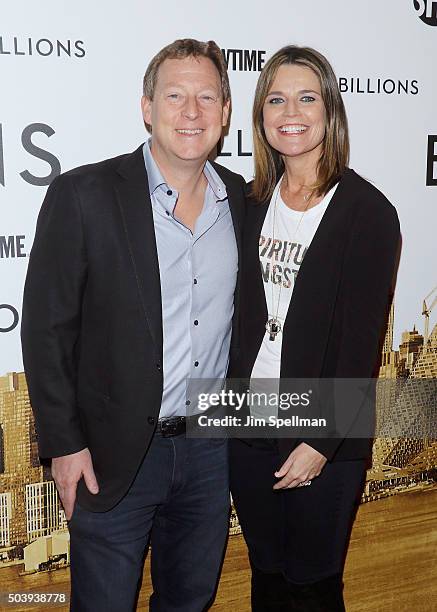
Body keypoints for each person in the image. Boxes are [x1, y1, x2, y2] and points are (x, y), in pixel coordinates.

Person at [21, 38, 245, 612]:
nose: (191, 112)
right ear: (146, 107)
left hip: (209, 449)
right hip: (113, 454)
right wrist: (64, 445)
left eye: (206, 97)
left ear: (225, 112)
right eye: (175, 95)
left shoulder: (244, 201)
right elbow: (47, 330)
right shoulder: (85, 193)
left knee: (189, 601)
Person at [229, 45, 400, 611]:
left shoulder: (368, 212)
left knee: (313, 585)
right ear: (260, 116)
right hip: (249, 419)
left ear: (330, 109)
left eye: (307, 97)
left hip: (323, 430)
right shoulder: (251, 201)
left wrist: (319, 441)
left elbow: (360, 347)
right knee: (267, 575)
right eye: (276, 99)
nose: (290, 112)